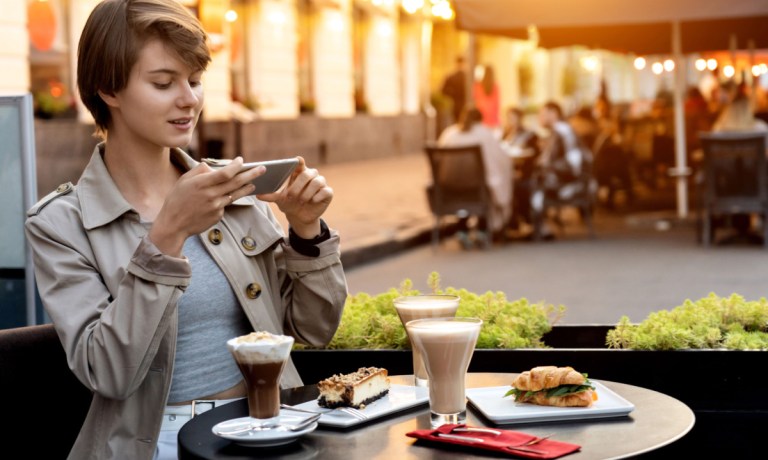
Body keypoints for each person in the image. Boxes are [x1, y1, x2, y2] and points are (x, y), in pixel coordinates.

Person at [24, 1, 347, 459]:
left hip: (266, 429)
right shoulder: (61, 224)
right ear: (107, 90)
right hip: (154, 445)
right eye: (163, 83)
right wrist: (166, 238)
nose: (190, 99)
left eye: (194, 81)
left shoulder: (233, 189)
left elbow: (314, 330)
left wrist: (306, 230)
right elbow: (109, 373)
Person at [438, 107, 512, 247]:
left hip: (449, 189)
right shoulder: (484, 133)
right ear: (480, 119)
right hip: (477, 190)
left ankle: (462, 229)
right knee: (491, 182)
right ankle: (482, 229)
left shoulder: (449, 134)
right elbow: (500, 160)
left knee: (469, 185)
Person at [531, 101, 593, 238]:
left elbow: (573, 165)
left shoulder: (562, 131)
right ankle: (540, 227)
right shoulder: (560, 131)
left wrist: (546, 166)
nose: (539, 118)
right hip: (567, 179)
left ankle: (541, 228)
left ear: (554, 114)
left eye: (543, 114)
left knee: (527, 184)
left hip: (569, 184)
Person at [503, 107, 539, 230]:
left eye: (513, 117)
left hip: (524, 171)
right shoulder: (505, 134)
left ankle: (521, 220)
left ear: (520, 118)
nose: (510, 120)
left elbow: (534, 154)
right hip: (508, 171)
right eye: (508, 118)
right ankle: (509, 221)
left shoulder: (529, 135)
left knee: (519, 186)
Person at [441, 56, 467, 124]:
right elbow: (443, 90)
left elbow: (443, 91)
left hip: (458, 104)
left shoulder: (466, 77)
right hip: (459, 104)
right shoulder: (465, 77)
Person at [473, 64, 501, 129]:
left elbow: (475, 99)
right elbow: (497, 102)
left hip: (481, 113)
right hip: (493, 115)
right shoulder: (496, 86)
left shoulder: (477, 85)